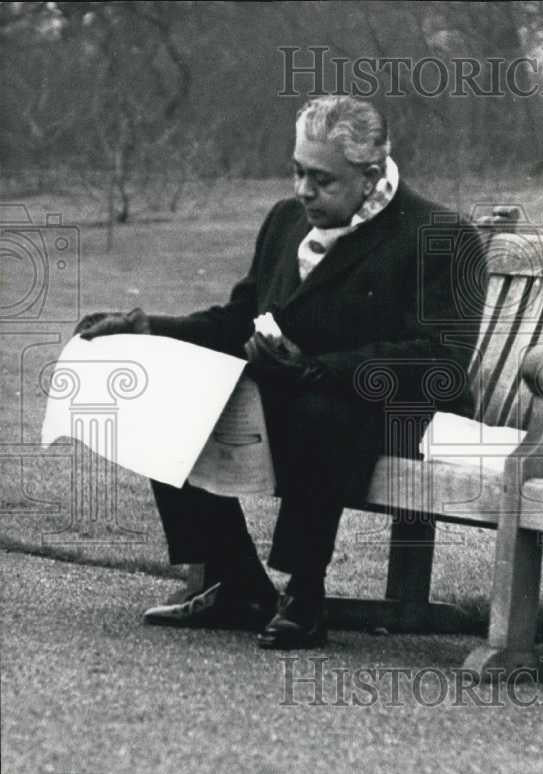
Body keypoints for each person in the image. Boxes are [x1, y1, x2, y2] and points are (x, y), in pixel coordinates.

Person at [74, 96, 486, 650]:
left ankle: (305, 592)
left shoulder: (439, 234)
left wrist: (315, 370)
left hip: (402, 415)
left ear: (369, 177)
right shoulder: (286, 221)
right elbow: (237, 318)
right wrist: (149, 328)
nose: (303, 190)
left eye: (322, 179)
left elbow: (440, 360)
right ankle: (238, 581)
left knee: (319, 411)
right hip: (296, 397)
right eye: (297, 171)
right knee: (168, 393)